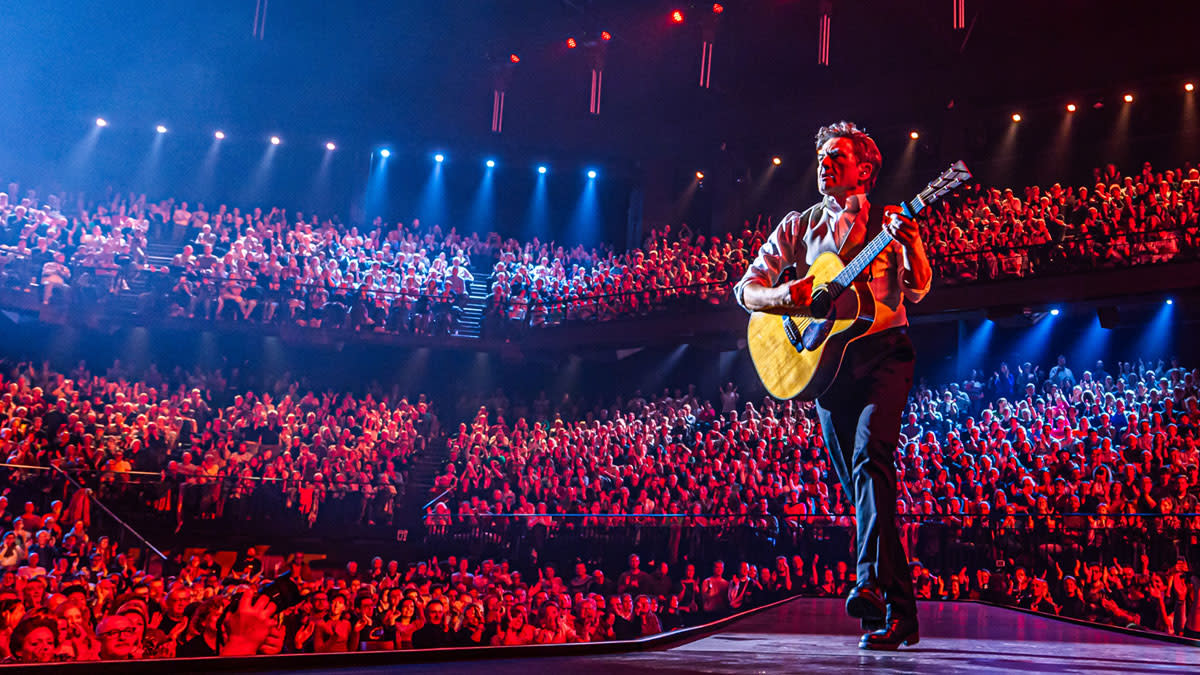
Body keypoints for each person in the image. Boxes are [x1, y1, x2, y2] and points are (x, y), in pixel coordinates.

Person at [735, 121, 931, 650]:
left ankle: (869, 584)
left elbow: (919, 288)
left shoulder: (889, 222)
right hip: (827, 365)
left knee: (872, 462)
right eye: (821, 155)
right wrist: (787, 299)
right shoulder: (797, 227)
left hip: (885, 355)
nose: (824, 161)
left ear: (864, 169)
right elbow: (747, 288)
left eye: (836, 155)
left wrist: (912, 246)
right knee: (864, 490)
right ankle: (897, 616)